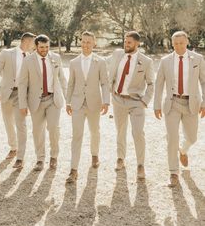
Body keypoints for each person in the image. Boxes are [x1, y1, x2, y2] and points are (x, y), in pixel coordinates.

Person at [154, 31, 205, 187]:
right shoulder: (165, 61)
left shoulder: (198, 59)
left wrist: (204, 102)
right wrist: (156, 105)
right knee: (172, 138)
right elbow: (159, 84)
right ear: (172, 44)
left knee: (192, 137)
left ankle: (183, 150)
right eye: (175, 43)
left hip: (191, 103)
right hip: (172, 103)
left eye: (181, 43)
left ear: (187, 42)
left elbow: (204, 81)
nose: (178, 46)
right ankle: (173, 173)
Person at [109, 31, 154, 179]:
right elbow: (104, 64)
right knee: (120, 130)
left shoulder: (146, 61)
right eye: (125, 41)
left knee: (138, 133)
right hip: (118, 99)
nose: (126, 44)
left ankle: (140, 165)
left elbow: (151, 84)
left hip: (136, 102)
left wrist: (144, 101)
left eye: (129, 42)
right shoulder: (117, 54)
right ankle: (120, 158)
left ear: (137, 43)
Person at [66, 31, 110, 183]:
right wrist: (68, 101)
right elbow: (70, 83)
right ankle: (73, 170)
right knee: (76, 136)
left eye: (88, 42)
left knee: (94, 131)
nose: (85, 45)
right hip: (78, 103)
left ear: (94, 43)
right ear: (80, 43)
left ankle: (95, 154)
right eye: (83, 42)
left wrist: (106, 101)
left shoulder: (101, 62)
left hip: (94, 103)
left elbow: (104, 82)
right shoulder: (73, 62)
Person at [18, 34, 67, 171]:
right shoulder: (28, 60)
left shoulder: (56, 58)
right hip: (36, 101)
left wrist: (68, 100)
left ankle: (54, 157)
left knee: (53, 128)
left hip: (53, 99)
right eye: (41, 47)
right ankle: (40, 158)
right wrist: (22, 104)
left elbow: (62, 79)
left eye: (46, 47)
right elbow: (22, 84)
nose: (44, 50)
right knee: (37, 131)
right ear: (36, 46)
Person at [0, 32, 36, 168]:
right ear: (27, 41)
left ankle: (20, 158)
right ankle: (13, 147)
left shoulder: (32, 57)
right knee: (8, 123)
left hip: (21, 96)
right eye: (33, 42)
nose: (34, 45)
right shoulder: (6, 53)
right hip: (6, 93)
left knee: (21, 125)